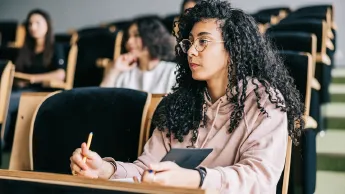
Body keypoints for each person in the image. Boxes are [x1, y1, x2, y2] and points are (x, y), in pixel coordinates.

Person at [70, 1, 304, 193]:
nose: (191, 50)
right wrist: (105, 170)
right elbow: (147, 170)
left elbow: (259, 179)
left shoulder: (264, 102)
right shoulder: (178, 103)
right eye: (190, 42)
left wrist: (195, 179)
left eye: (203, 42)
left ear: (233, 48)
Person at [3, 9, 65, 150]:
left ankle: (2, 142)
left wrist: (33, 79)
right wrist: (20, 80)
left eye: (37, 23)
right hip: (22, 89)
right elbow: (19, 73)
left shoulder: (56, 47)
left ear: (47, 25)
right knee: (5, 96)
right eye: (30, 24)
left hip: (42, 90)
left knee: (6, 101)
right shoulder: (25, 49)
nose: (33, 27)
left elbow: (60, 74)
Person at [100, 16, 177, 94]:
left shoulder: (173, 71)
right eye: (128, 37)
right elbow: (103, 99)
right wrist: (115, 69)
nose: (129, 41)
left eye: (136, 35)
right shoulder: (124, 74)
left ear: (153, 37)